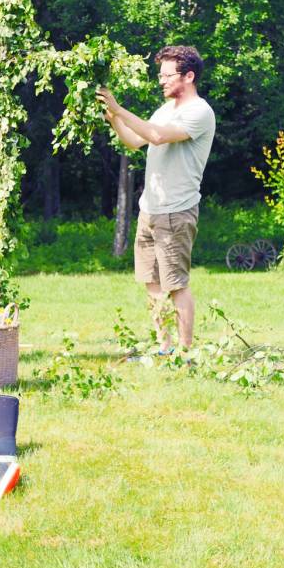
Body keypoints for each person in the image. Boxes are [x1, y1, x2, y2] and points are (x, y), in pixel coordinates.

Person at [97, 45, 215, 354]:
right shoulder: (164, 110)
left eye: (167, 75)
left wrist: (119, 108)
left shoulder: (199, 111)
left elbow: (158, 136)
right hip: (149, 210)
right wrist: (113, 118)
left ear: (189, 76)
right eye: (160, 75)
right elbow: (135, 140)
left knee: (176, 285)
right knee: (152, 284)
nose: (161, 81)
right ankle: (164, 348)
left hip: (176, 211)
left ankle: (185, 353)